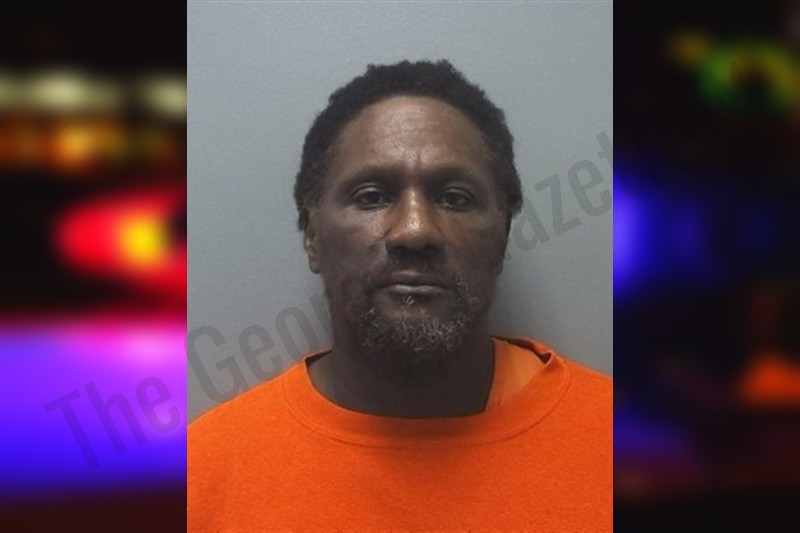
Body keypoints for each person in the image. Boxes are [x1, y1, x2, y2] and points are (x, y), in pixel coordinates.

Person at [188, 59, 612, 531]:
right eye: (372, 196)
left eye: (454, 198)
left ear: (504, 235)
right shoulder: (201, 480)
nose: (415, 230)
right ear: (312, 235)